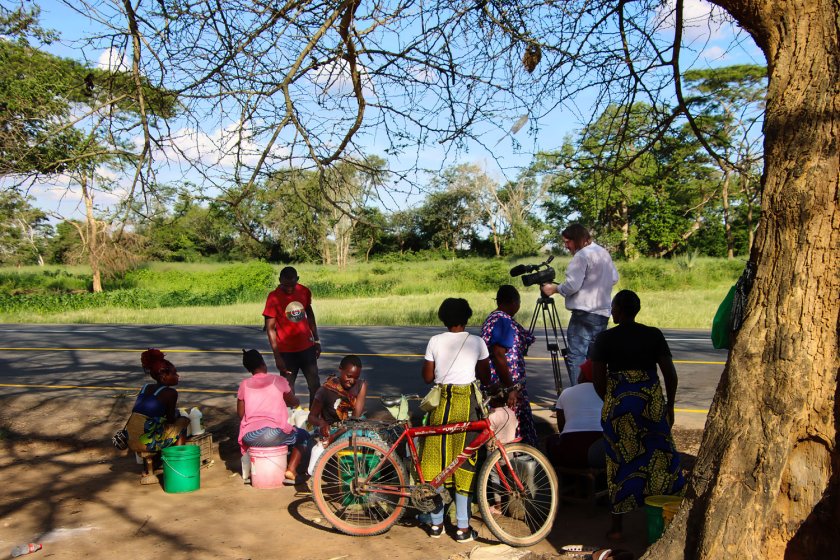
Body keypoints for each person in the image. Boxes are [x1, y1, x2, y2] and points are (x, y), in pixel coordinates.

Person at [590, 289, 685, 541]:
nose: (611, 311)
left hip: (620, 406)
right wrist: (670, 406)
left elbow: (597, 379)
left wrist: (612, 401)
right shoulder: (653, 335)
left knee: (619, 461)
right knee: (662, 460)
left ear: (620, 311)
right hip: (651, 405)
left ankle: (617, 527)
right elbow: (670, 374)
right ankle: (668, 516)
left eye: (613, 307)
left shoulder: (605, 338)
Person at [420, 298, 491, 543]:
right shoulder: (477, 342)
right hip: (466, 407)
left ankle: (436, 524)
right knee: (465, 462)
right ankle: (462, 527)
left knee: (436, 464)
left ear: (443, 318)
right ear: (467, 317)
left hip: (440, 408)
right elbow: (485, 375)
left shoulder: (435, 341)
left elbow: (428, 377)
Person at [540, 224, 618, 384]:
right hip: (601, 314)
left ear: (577, 239)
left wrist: (554, 289)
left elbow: (572, 285)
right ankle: (593, 395)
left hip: (583, 315)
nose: (565, 245)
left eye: (567, 241)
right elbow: (614, 278)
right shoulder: (602, 252)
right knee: (594, 358)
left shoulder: (581, 256)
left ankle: (577, 396)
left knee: (576, 356)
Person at [237, 349, 310, 484]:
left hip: (249, 437)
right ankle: (291, 470)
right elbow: (293, 402)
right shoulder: (278, 380)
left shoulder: (244, 385)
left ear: (248, 369)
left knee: (282, 434)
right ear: (263, 363)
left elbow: (240, 414)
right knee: (303, 435)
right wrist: (295, 402)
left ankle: (253, 472)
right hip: (271, 434)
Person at [480, 284, 538, 446]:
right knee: (513, 428)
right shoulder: (503, 321)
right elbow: (499, 354)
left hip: (499, 384)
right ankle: (516, 463)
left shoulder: (492, 319)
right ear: (514, 302)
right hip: (506, 386)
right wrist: (510, 387)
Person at [126, 350, 190, 484]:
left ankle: (147, 468)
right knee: (182, 423)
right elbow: (171, 419)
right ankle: (176, 466)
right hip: (146, 441)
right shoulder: (170, 393)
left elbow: (143, 413)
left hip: (130, 439)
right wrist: (179, 416)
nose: (177, 376)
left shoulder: (145, 387)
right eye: (174, 373)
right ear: (163, 376)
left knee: (148, 428)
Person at [263, 266, 321, 405]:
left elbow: (310, 315)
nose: (289, 289)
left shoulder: (304, 291)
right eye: (285, 285)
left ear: (298, 280)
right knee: (288, 390)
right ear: (279, 281)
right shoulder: (273, 297)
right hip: (286, 353)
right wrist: (277, 357)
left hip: (307, 348)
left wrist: (317, 340)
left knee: (315, 386)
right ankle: (291, 420)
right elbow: (270, 329)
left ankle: (313, 418)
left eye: (292, 285)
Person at [545, 359, 606, 470]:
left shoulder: (566, 392)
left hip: (571, 450)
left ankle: (562, 477)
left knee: (551, 440)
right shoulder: (606, 392)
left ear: (583, 375)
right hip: (600, 448)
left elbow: (561, 427)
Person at [307, 354, 368, 439]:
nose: (352, 381)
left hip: (351, 425)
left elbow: (355, 418)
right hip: (333, 429)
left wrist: (334, 436)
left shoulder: (361, 385)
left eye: (356, 378)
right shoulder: (325, 390)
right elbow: (311, 417)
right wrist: (322, 423)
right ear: (340, 369)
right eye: (349, 376)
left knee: (371, 435)